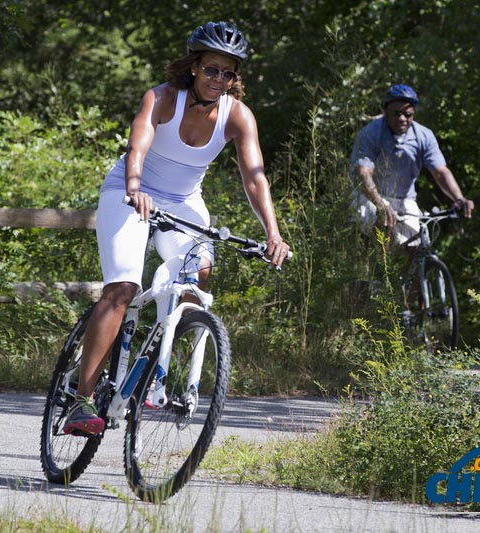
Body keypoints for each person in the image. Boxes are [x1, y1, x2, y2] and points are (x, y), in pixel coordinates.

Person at [63, 21, 291, 436]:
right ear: (193, 67)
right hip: (129, 191)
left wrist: (273, 233)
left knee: (198, 274)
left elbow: (255, 176)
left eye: (227, 73)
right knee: (123, 288)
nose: (218, 80)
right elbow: (138, 146)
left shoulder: (237, 116)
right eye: (211, 70)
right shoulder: (163, 98)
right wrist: (134, 188)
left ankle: (158, 364)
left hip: (184, 201)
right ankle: (81, 400)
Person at [350, 84, 473, 247]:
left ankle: (413, 272)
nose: (402, 119)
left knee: (418, 244)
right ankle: (373, 269)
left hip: (404, 199)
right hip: (370, 197)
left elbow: (440, 172)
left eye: (407, 114)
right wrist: (379, 203)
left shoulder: (423, 136)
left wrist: (459, 198)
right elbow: (364, 172)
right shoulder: (370, 133)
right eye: (396, 113)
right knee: (382, 231)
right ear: (385, 111)